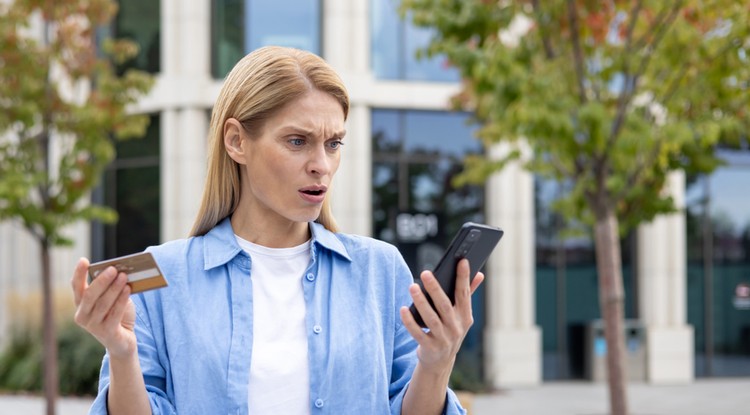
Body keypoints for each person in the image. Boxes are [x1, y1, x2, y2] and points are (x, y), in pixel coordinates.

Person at [71, 46, 484, 415]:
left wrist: (437, 362)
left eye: (334, 143)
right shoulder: (161, 275)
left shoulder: (380, 269)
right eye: (297, 141)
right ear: (236, 142)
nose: (321, 164)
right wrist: (122, 355)